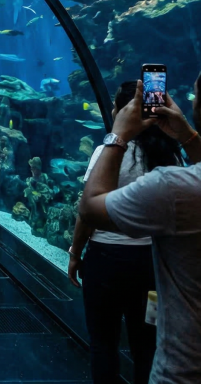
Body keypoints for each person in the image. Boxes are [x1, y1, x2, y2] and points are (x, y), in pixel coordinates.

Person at [79, 49, 201, 384]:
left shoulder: (177, 189)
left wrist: (118, 135)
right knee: (141, 342)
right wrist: (187, 136)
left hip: (189, 373)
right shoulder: (182, 171)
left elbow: (91, 207)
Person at [68, 81, 182, 384]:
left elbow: (86, 211)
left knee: (103, 342)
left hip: (106, 260)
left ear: (121, 111)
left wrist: (75, 253)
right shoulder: (172, 155)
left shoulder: (107, 153)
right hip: (152, 267)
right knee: (147, 344)